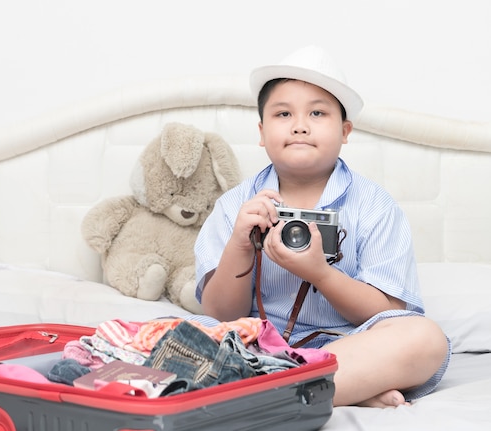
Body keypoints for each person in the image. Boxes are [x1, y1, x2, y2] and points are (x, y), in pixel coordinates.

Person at [193, 45, 450, 407]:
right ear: (262, 132)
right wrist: (239, 245)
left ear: (345, 131)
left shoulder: (374, 206)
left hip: (347, 347)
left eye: (317, 112)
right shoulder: (235, 206)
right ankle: (336, 390)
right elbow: (221, 315)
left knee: (425, 339)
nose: (300, 125)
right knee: (168, 334)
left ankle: (280, 390)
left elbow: (386, 310)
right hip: (250, 343)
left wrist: (321, 274)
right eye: (283, 113)